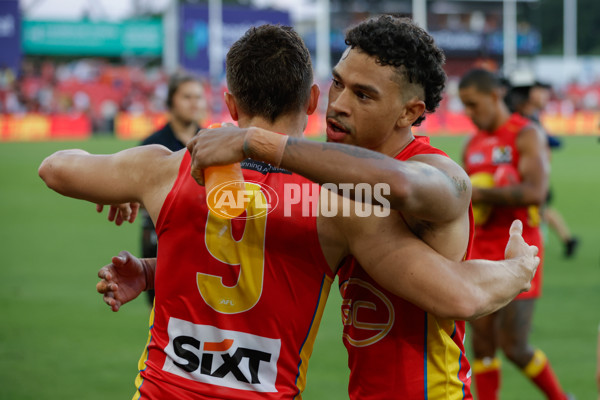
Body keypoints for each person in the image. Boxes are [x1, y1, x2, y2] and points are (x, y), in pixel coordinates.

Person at [40, 24, 538, 399]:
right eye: (339, 86)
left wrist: (518, 268)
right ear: (315, 95)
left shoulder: (435, 175)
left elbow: (422, 226)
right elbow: (274, 248)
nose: (341, 105)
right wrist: (157, 268)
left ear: (410, 112)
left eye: (363, 95)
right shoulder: (335, 193)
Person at [459, 68, 570, 400]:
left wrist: (480, 194)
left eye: (473, 104)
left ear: (494, 97)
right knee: (481, 343)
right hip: (480, 248)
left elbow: (536, 192)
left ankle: (561, 398)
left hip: (520, 250)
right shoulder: (472, 145)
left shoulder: (526, 134)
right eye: (463, 105)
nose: (468, 113)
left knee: (514, 346)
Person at [139, 73, 206, 306]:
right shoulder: (151, 145)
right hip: (160, 242)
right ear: (171, 101)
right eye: (187, 96)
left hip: (204, 244)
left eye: (198, 97)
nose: (194, 102)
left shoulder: (215, 142)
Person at [506, 79, 579, 258]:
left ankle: (558, 241)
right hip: (528, 176)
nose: (544, 96)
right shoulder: (524, 120)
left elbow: (549, 140)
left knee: (540, 212)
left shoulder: (530, 120)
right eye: (540, 92)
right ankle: (564, 240)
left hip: (533, 177)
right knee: (540, 212)